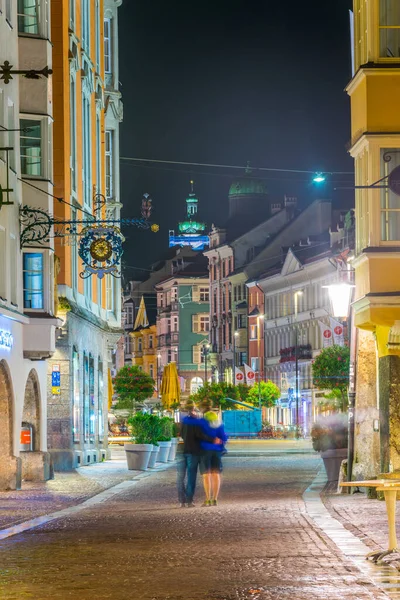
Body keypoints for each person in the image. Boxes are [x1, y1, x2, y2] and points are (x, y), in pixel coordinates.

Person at [177, 401, 218, 508]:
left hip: (184, 451)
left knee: (180, 478)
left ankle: (181, 501)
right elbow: (201, 435)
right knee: (191, 477)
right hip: (194, 453)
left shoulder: (184, 422)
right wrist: (213, 439)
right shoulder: (196, 422)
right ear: (193, 411)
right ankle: (189, 501)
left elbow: (181, 434)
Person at [200, 410, 228, 506]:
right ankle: (215, 499)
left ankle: (208, 498)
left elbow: (199, 437)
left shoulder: (202, 425)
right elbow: (224, 437)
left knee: (206, 475)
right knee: (216, 474)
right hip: (216, 452)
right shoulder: (219, 424)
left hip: (204, 451)